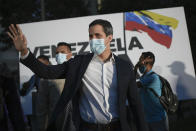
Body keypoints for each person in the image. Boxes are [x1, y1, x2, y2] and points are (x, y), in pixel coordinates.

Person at [7, 19, 148, 131]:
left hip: (117, 127)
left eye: (97, 35)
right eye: (90, 36)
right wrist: (25, 51)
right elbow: (46, 72)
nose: (93, 39)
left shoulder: (124, 67)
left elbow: (136, 104)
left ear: (109, 37)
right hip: (87, 128)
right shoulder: (79, 63)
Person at [36, 42, 72, 131]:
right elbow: (41, 108)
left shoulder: (79, 73)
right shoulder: (47, 77)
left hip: (78, 123)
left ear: (70, 55)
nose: (59, 55)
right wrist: (42, 128)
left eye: (63, 52)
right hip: (57, 124)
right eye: (57, 53)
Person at [134, 51, 169, 131]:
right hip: (148, 119)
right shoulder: (144, 77)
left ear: (147, 61)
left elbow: (133, 85)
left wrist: (136, 68)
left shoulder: (152, 77)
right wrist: (136, 67)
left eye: (140, 60)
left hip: (157, 119)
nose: (139, 62)